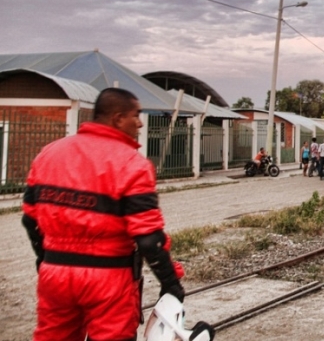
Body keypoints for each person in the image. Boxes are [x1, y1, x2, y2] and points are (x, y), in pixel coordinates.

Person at [20, 88, 196, 340]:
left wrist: (45, 260)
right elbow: (148, 238)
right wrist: (170, 283)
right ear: (117, 118)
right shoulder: (132, 164)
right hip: (109, 279)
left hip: (55, 273)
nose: (140, 122)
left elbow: (30, 219)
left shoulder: (49, 153)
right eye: (135, 115)